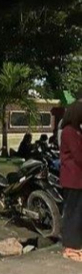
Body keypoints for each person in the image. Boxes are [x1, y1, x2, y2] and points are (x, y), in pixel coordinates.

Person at [60, 100, 82, 262]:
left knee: (78, 214)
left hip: (78, 179)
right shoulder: (69, 131)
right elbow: (78, 155)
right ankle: (70, 247)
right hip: (72, 179)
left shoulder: (77, 131)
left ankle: (76, 245)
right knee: (72, 214)